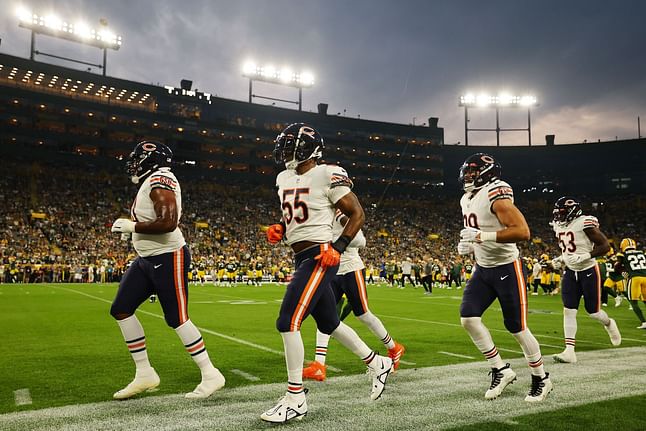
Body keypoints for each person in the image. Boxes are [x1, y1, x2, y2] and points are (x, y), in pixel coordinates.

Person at [261, 123, 393, 423]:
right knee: (330, 322)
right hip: (301, 256)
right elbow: (298, 213)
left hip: (320, 256)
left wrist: (340, 244)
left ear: (307, 147)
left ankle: (295, 398)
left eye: (290, 144)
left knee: (287, 321)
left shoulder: (327, 172)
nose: (284, 150)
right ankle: (377, 362)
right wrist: (282, 228)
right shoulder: (283, 177)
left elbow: (357, 213)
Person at [109, 140, 225, 400]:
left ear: (150, 160)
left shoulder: (160, 180)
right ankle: (144, 373)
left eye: (139, 158)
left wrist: (132, 227)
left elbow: (169, 222)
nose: (134, 163)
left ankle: (210, 373)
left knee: (177, 318)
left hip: (169, 256)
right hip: (146, 258)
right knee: (121, 309)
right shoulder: (151, 182)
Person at [457, 153, 552, 402]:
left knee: (517, 328)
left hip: (507, 268)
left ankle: (541, 378)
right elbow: (478, 231)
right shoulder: (466, 198)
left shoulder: (495, 192)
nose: (468, 175)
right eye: (466, 171)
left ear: (487, 173)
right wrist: (469, 246)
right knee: (468, 318)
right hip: (482, 268)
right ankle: (500, 369)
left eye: (473, 171)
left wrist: (481, 238)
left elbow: (522, 231)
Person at [302, 210, 405, 381]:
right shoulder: (321, 211)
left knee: (363, 314)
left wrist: (340, 230)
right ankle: (319, 364)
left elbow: (359, 239)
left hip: (350, 268)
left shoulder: (340, 212)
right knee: (325, 316)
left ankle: (394, 348)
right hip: (332, 269)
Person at [550, 197, 621, 364]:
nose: (559, 216)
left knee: (594, 312)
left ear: (572, 211)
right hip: (570, 271)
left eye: (562, 212)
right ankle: (569, 351)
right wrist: (561, 258)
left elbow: (605, 246)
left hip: (588, 269)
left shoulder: (584, 223)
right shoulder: (559, 226)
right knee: (569, 310)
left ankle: (609, 323)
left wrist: (586, 256)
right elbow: (570, 248)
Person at [615, 238, 646, 328]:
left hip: (635, 278)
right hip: (645, 277)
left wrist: (623, 271)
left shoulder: (622, 254)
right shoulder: (641, 252)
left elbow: (617, 267)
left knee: (633, 301)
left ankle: (644, 322)